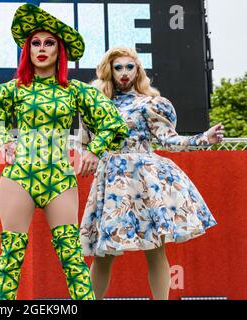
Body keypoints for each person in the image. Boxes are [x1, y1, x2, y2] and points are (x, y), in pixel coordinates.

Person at [0, 4, 129, 300]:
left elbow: (114, 124)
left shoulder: (75, 91)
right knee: (10, 258)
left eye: (49, 43)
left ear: (59, 50)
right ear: (27, 50)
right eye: (35, 43)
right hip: (18, 178)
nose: (41, 49)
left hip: (60, 179)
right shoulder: (13, 89)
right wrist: (2, 136)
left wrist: (94, 150)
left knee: (72, 258)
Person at [80, 47, 224, 300]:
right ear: (109, 71)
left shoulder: (149, 103)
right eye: (118, 68)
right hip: (112, 182)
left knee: (155, 249)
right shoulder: (95, 105)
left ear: (138, 71)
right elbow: (84, 144)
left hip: (144, 181)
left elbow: (169, 140)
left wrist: (204, 138)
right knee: (103, 253)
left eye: (129, 67)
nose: (124, 73)